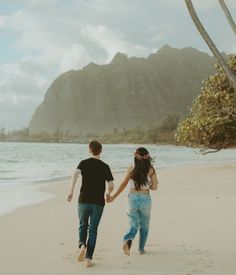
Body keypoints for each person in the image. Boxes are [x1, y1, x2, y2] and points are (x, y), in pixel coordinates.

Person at [67, 140, 114, 267]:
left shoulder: (83, 163)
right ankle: (88, 259)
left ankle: (82, 245)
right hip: (98, 203)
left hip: (83, 200)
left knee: (83, 225)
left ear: (89, 150)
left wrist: (71, 192)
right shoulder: (105, 166)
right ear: (101, 151)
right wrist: (108, 195)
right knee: (93, 230)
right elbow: (111, 185)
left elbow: (75, 174)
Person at [107, 147, 158, 256]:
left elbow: (124, 184)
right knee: (144, 225)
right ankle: (141, 249)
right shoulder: (151, 169)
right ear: (147, 157)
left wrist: (113, 197)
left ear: (135, 157)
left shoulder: (131, 168)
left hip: (132, 198)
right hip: (145, 198)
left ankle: (128, 240)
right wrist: (148, 185)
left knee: (133, 222)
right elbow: (155, 187)